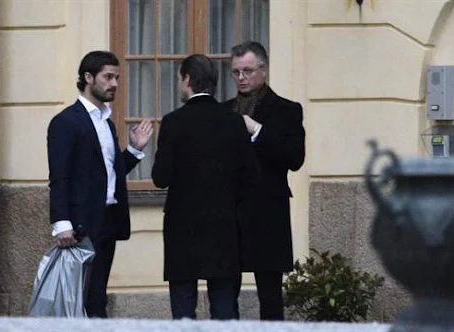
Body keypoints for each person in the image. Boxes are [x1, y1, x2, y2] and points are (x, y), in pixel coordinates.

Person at [46, 50, 153, 318]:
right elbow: (60, 176)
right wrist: (61, 223)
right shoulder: (65, 122)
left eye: (117, 77)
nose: (115, 83)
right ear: (88, 77)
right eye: (108, 77)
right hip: (82, 226)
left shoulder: (106, 123)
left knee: (97, 298)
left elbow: (108, 174)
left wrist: (134, 151)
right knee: (83, 300)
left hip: (107, 221)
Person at [152, 54, 259, 320]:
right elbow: (252, 177)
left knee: (183, 307)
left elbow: (161, 177)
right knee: (223, 307)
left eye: (180, 79)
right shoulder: (234, 121)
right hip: (223, 225)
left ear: (187, 79)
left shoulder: (173, 122)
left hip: (182, 226)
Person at [223, 41, 306, 320]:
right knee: (225, 293)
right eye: (235, 72)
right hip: (229, 212)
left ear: (264, 70)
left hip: (267, 213)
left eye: (247, 71)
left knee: (270, 296)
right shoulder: (223, 111)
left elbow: (295, 158)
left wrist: (257, 130)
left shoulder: (287, 110)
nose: (241, 78)